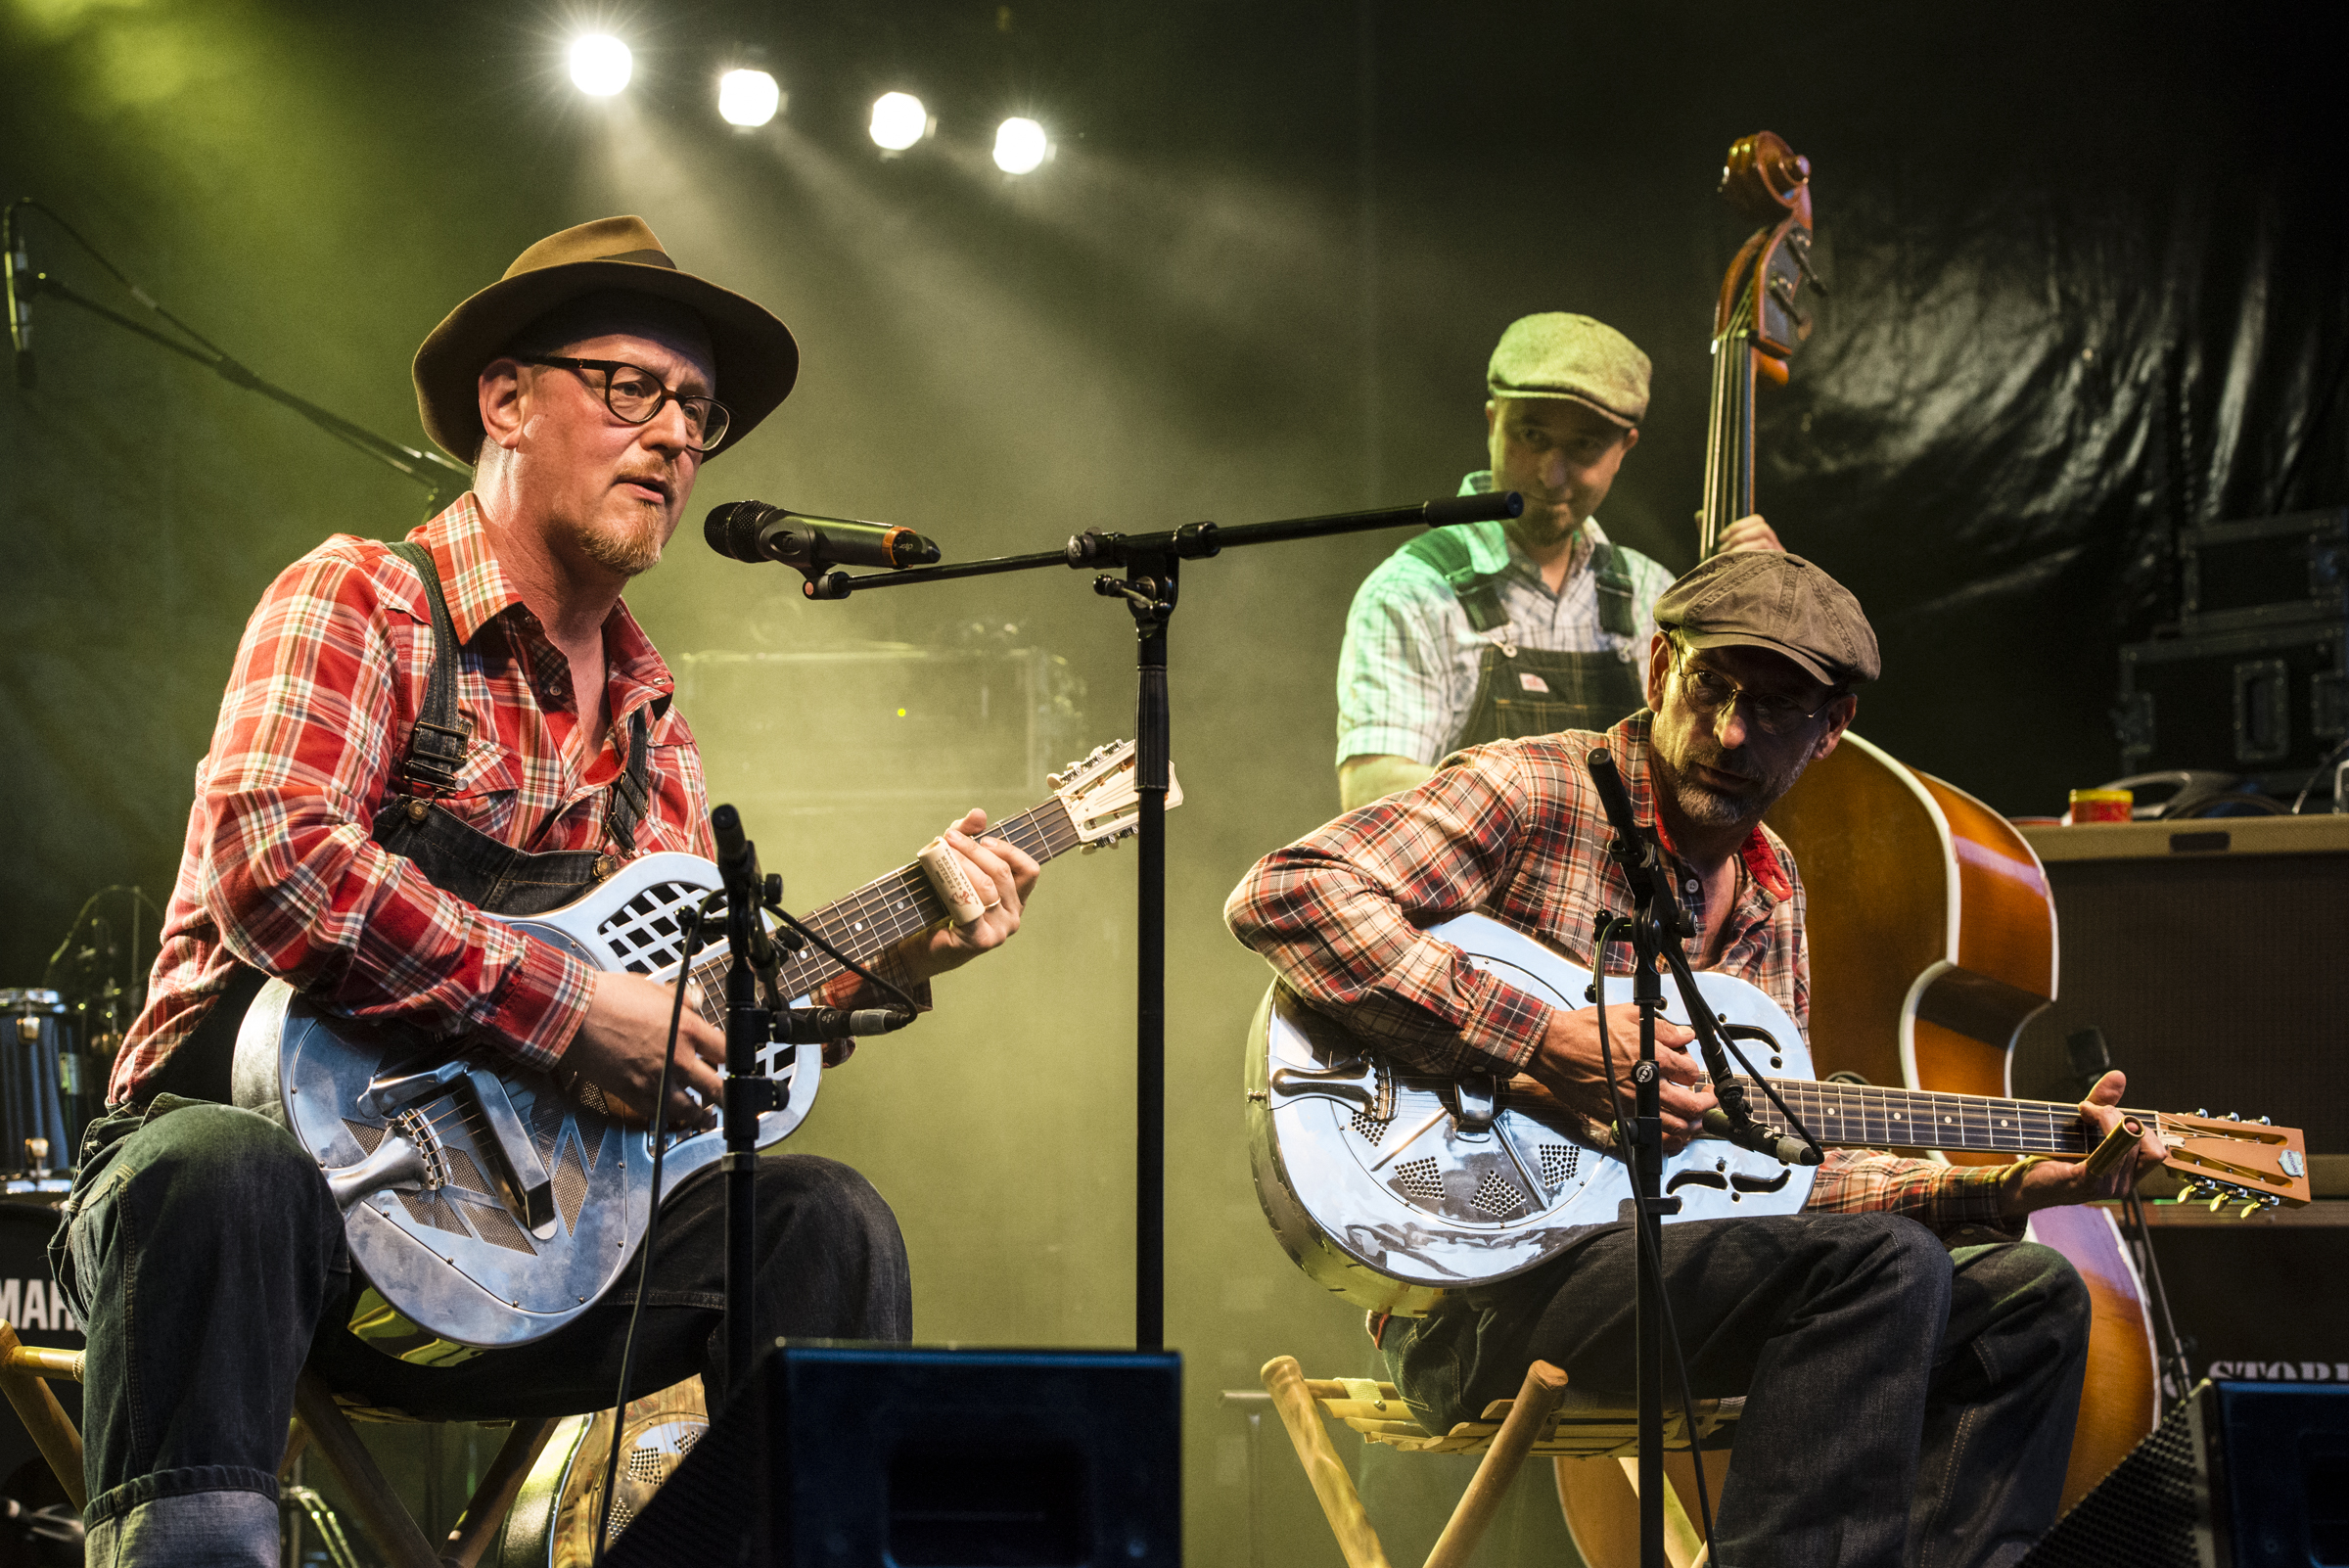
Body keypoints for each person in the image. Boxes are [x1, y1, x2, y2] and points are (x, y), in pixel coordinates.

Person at [59, 216, 1040, 1565]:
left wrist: (900, 958)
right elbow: (274, 863)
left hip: (529, 1255)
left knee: (825, 1222)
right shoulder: (359, 600)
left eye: (698, 409)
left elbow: (692, 1039)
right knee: (220, 1172)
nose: (679, 436)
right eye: (633, 389)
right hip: (261, 1226)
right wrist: (571, 1006)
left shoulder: (654, 721)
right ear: (506, 399)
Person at [1231, 550, 2162, 1565]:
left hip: (1673, 1269)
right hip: (1486, 1290)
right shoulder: (1536, 789)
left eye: (1773, 709)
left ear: (1830, 730)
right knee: (1882, 1270)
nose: (1730, 734)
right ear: (1660, 669)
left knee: (2034, 1296)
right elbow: (1289, 894)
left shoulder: (1773, 890)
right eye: (1713, 688)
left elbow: (1774, 1172)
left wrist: (2018, 1185)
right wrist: (1542, 1038)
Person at [1336, 311, 1785, 810]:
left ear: (1624, 449)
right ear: (1492, 422)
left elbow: (1706, 772)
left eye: (1585, 446)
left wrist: (1768, 623)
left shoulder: (1650, 593)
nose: (1552, 475)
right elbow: (1373, 792)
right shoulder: (1411, 592)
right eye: (1531, 436)